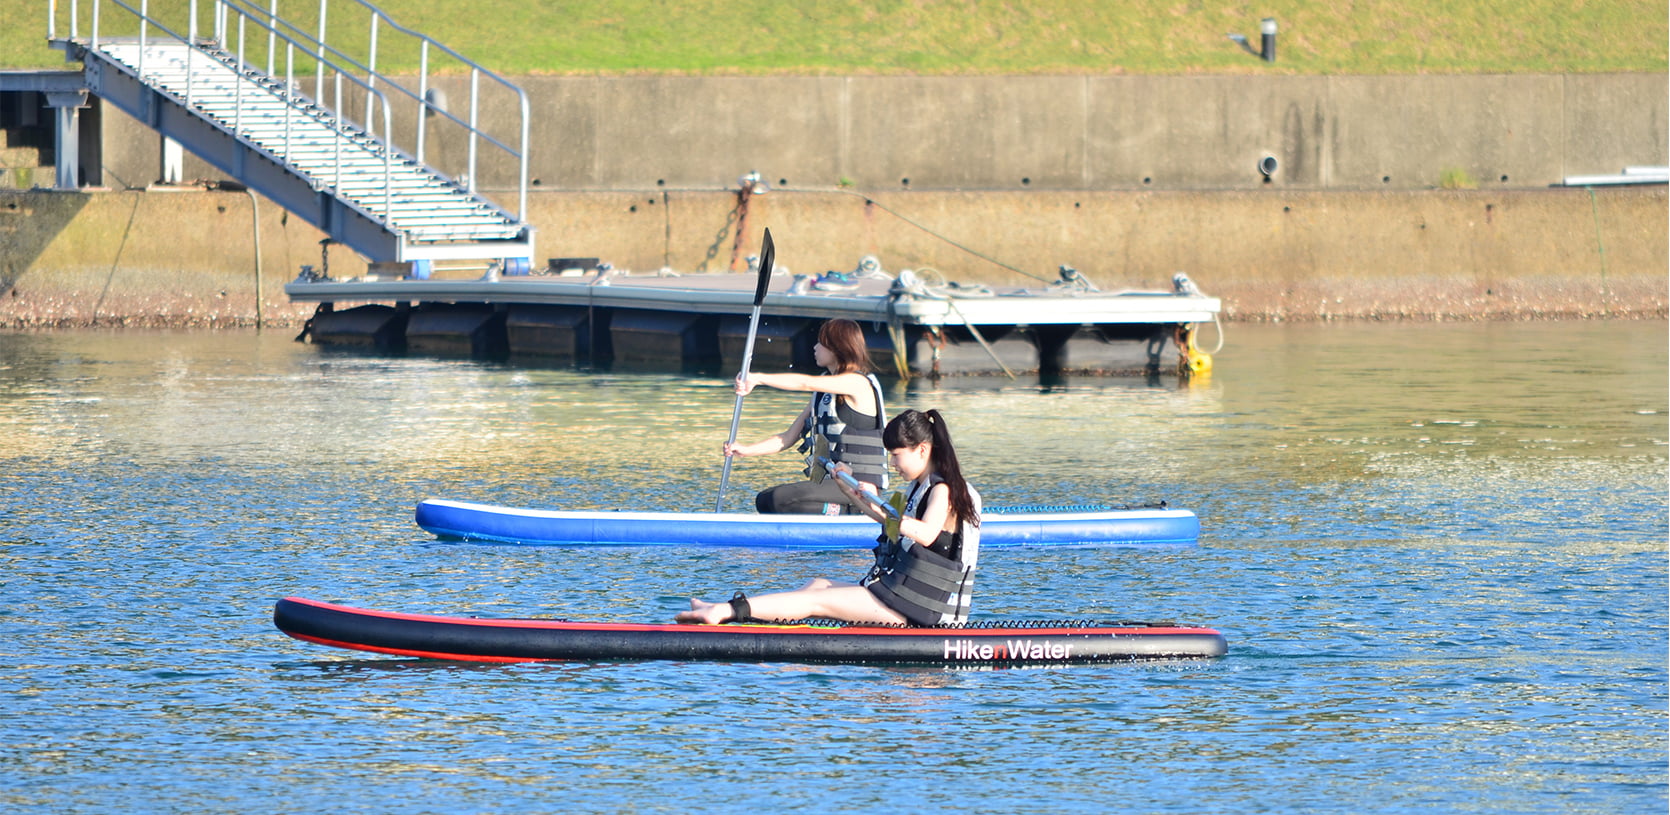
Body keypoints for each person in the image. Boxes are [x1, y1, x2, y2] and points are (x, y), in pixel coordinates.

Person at [678, 408, 981, 627]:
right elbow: (889, 524)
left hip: (919, 611)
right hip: (901, 594)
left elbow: (926, 534)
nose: (892, 462)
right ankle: (731, 611)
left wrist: (886, 510)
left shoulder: (944, 489)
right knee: (817, 584)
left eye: (896, 454)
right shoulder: (920, 487)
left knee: (815, 602)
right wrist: (850, 492)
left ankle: (724, 612)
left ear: (922, 450)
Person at [722, 318, 888, 515]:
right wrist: (745, 450)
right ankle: (838, 512)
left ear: (837, 348)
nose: (815, 347)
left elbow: (805, 383)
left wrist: (758, 378)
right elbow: (787, 438)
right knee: (765, 500)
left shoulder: (858, 383)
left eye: (821, 343)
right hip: (832, 484)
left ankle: (855, 513)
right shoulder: (823, 392)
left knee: (780, 500)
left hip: (859, 486)